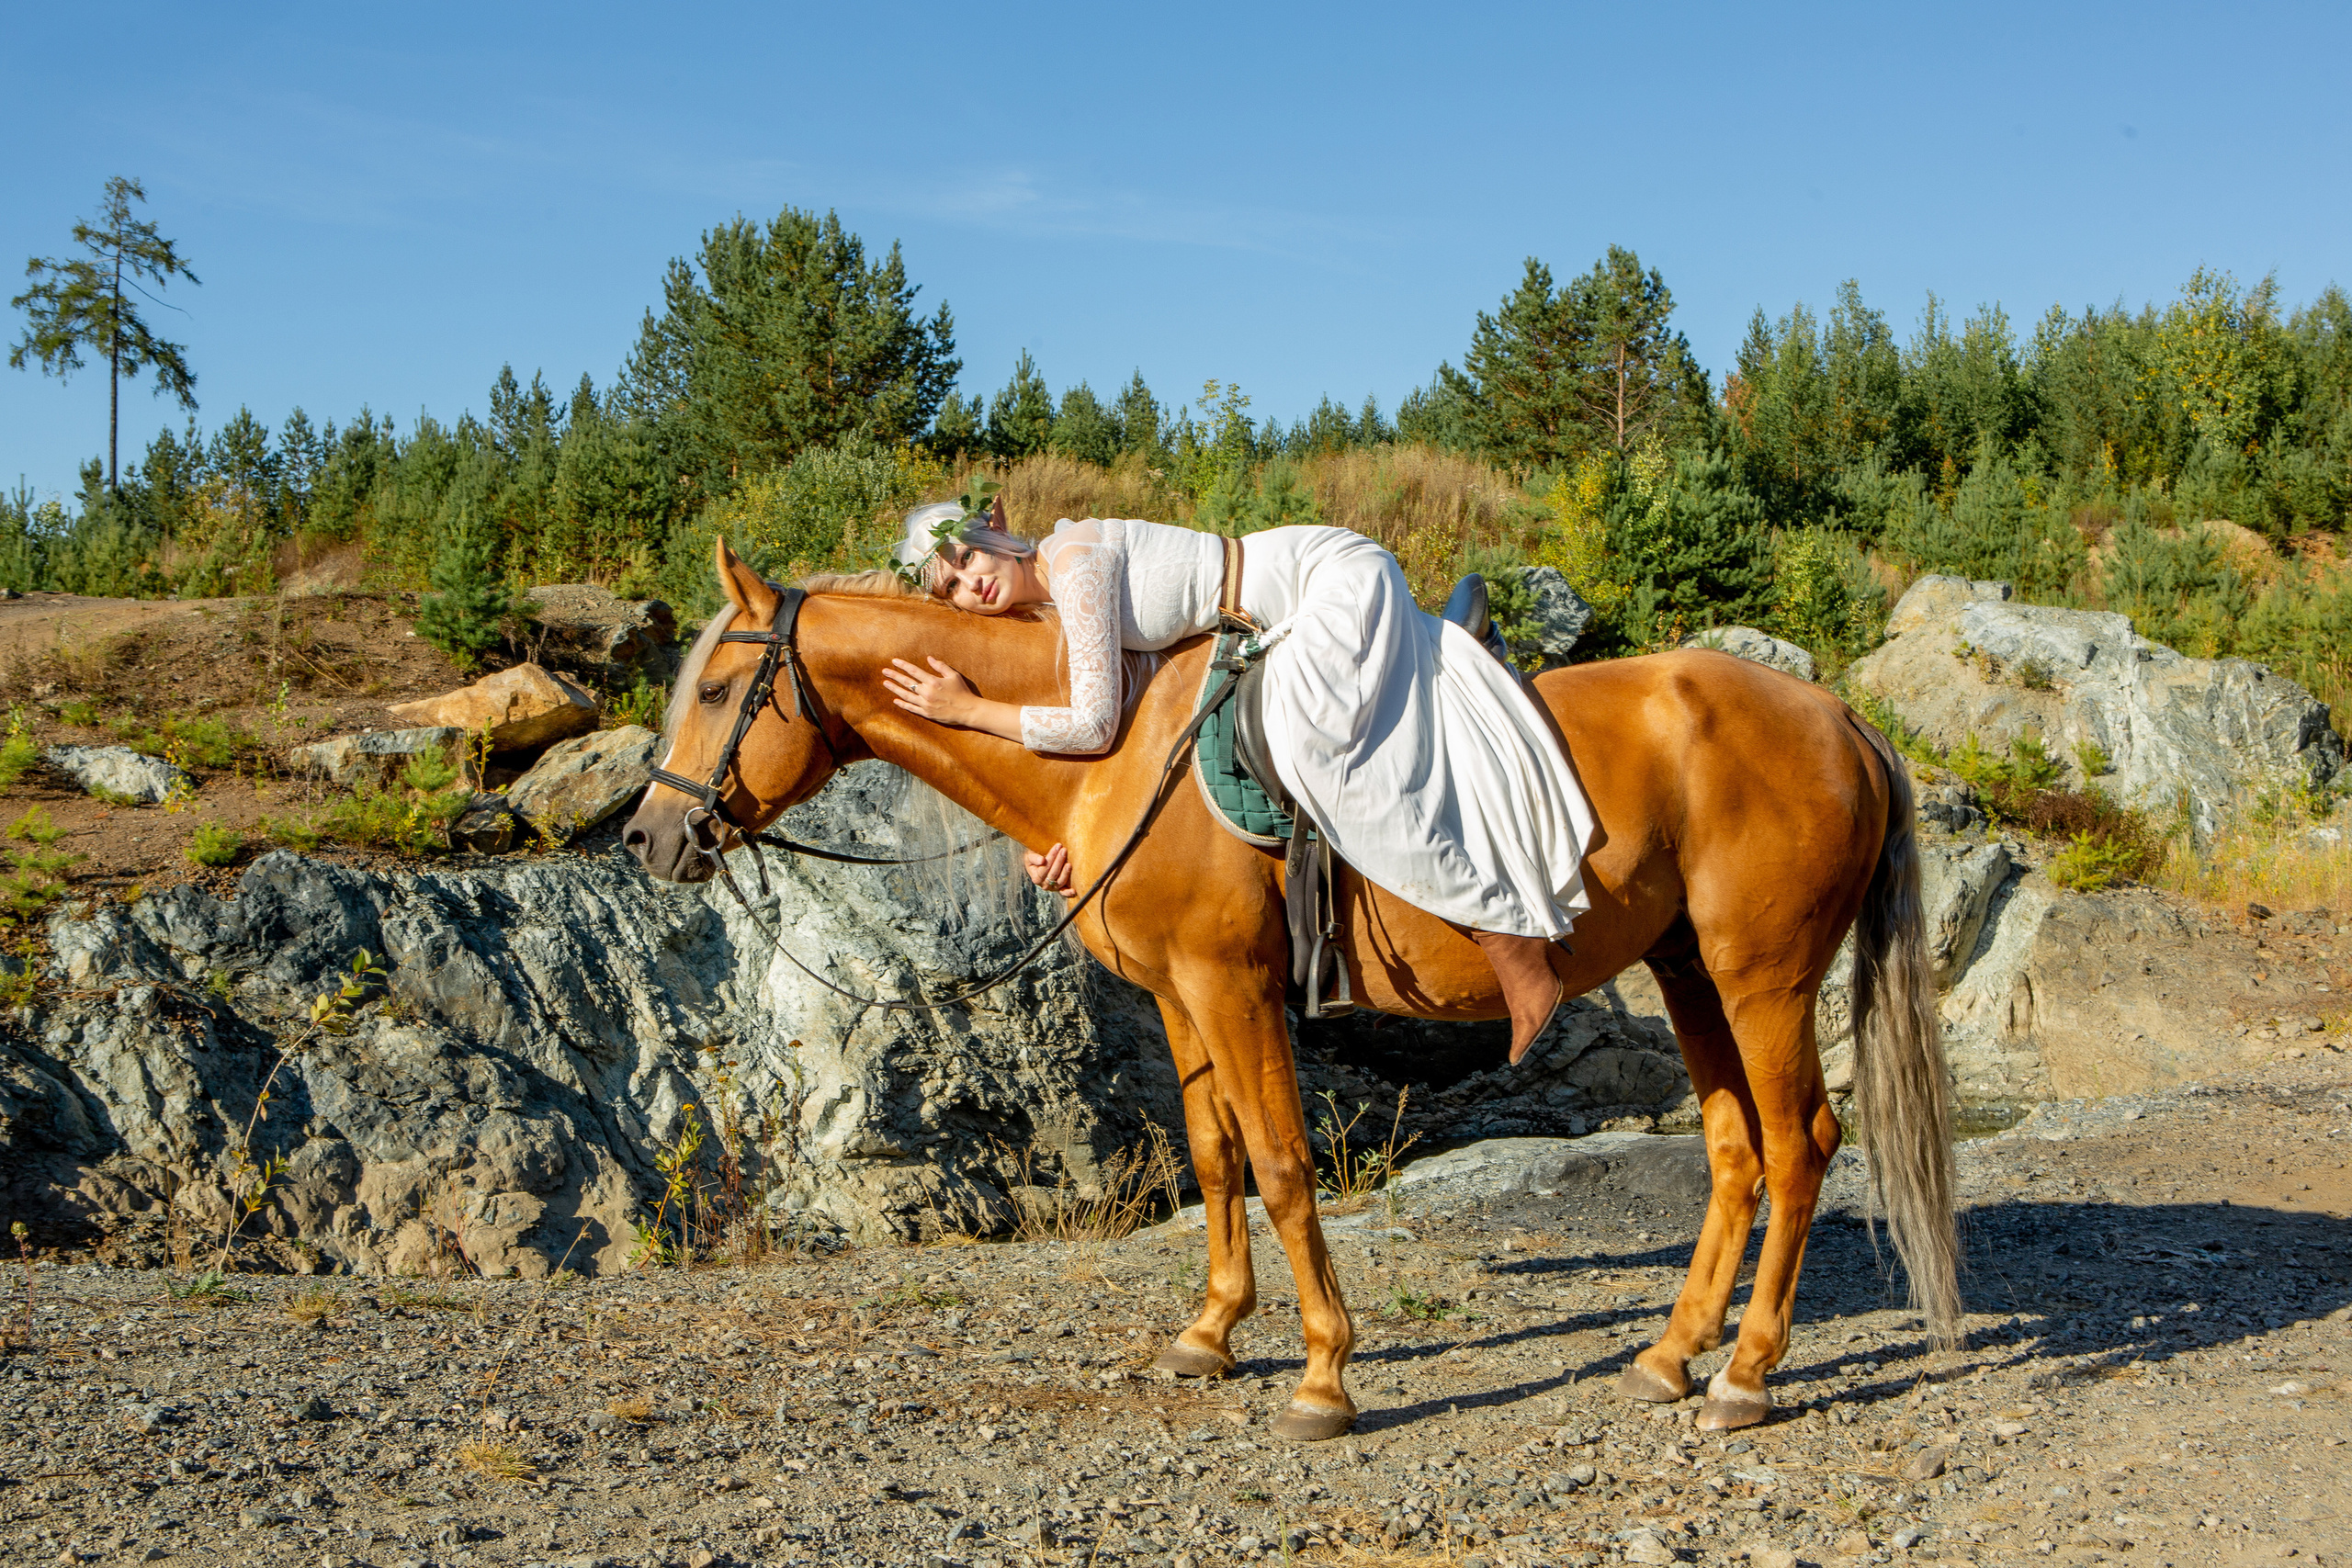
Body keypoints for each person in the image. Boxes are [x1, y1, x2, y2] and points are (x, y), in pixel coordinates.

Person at [881, 490, 1596, 1059]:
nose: (970, 583)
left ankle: (1506, 935)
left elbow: (1092, 721)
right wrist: (1065, 841)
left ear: (996, 523)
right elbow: (1121, 743)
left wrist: (969, 711)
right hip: (1283, 609)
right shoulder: (1067, 601)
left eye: (966, 556)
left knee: (1321, 755)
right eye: (950, 589)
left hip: (1324, 584)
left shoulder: (1073, 559)